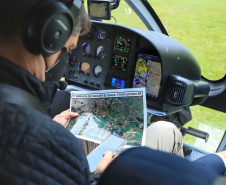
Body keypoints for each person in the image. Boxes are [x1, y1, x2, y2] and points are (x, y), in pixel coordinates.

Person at [0, 0, 114, 184]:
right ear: (46, 37)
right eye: (67, 49)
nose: (65, 61)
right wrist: (102, 177)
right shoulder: (52, 147)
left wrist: (44, 125)